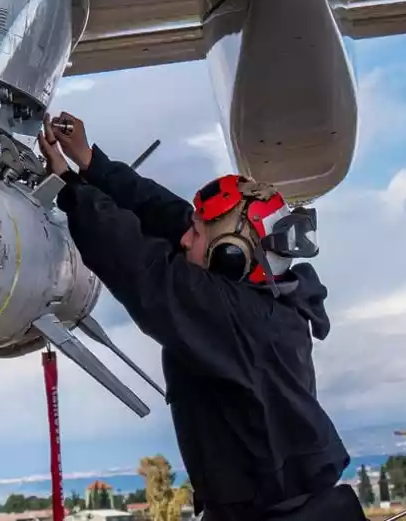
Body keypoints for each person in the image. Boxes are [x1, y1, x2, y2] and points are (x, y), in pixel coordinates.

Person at [37, 112, 364, 521]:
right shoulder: (268, 297)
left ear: (230, 257)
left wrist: (71, 186)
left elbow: (139, 266)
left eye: (196, 233)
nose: (184, 238)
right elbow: (168, 214)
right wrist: (92, 163)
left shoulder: (235, 320)